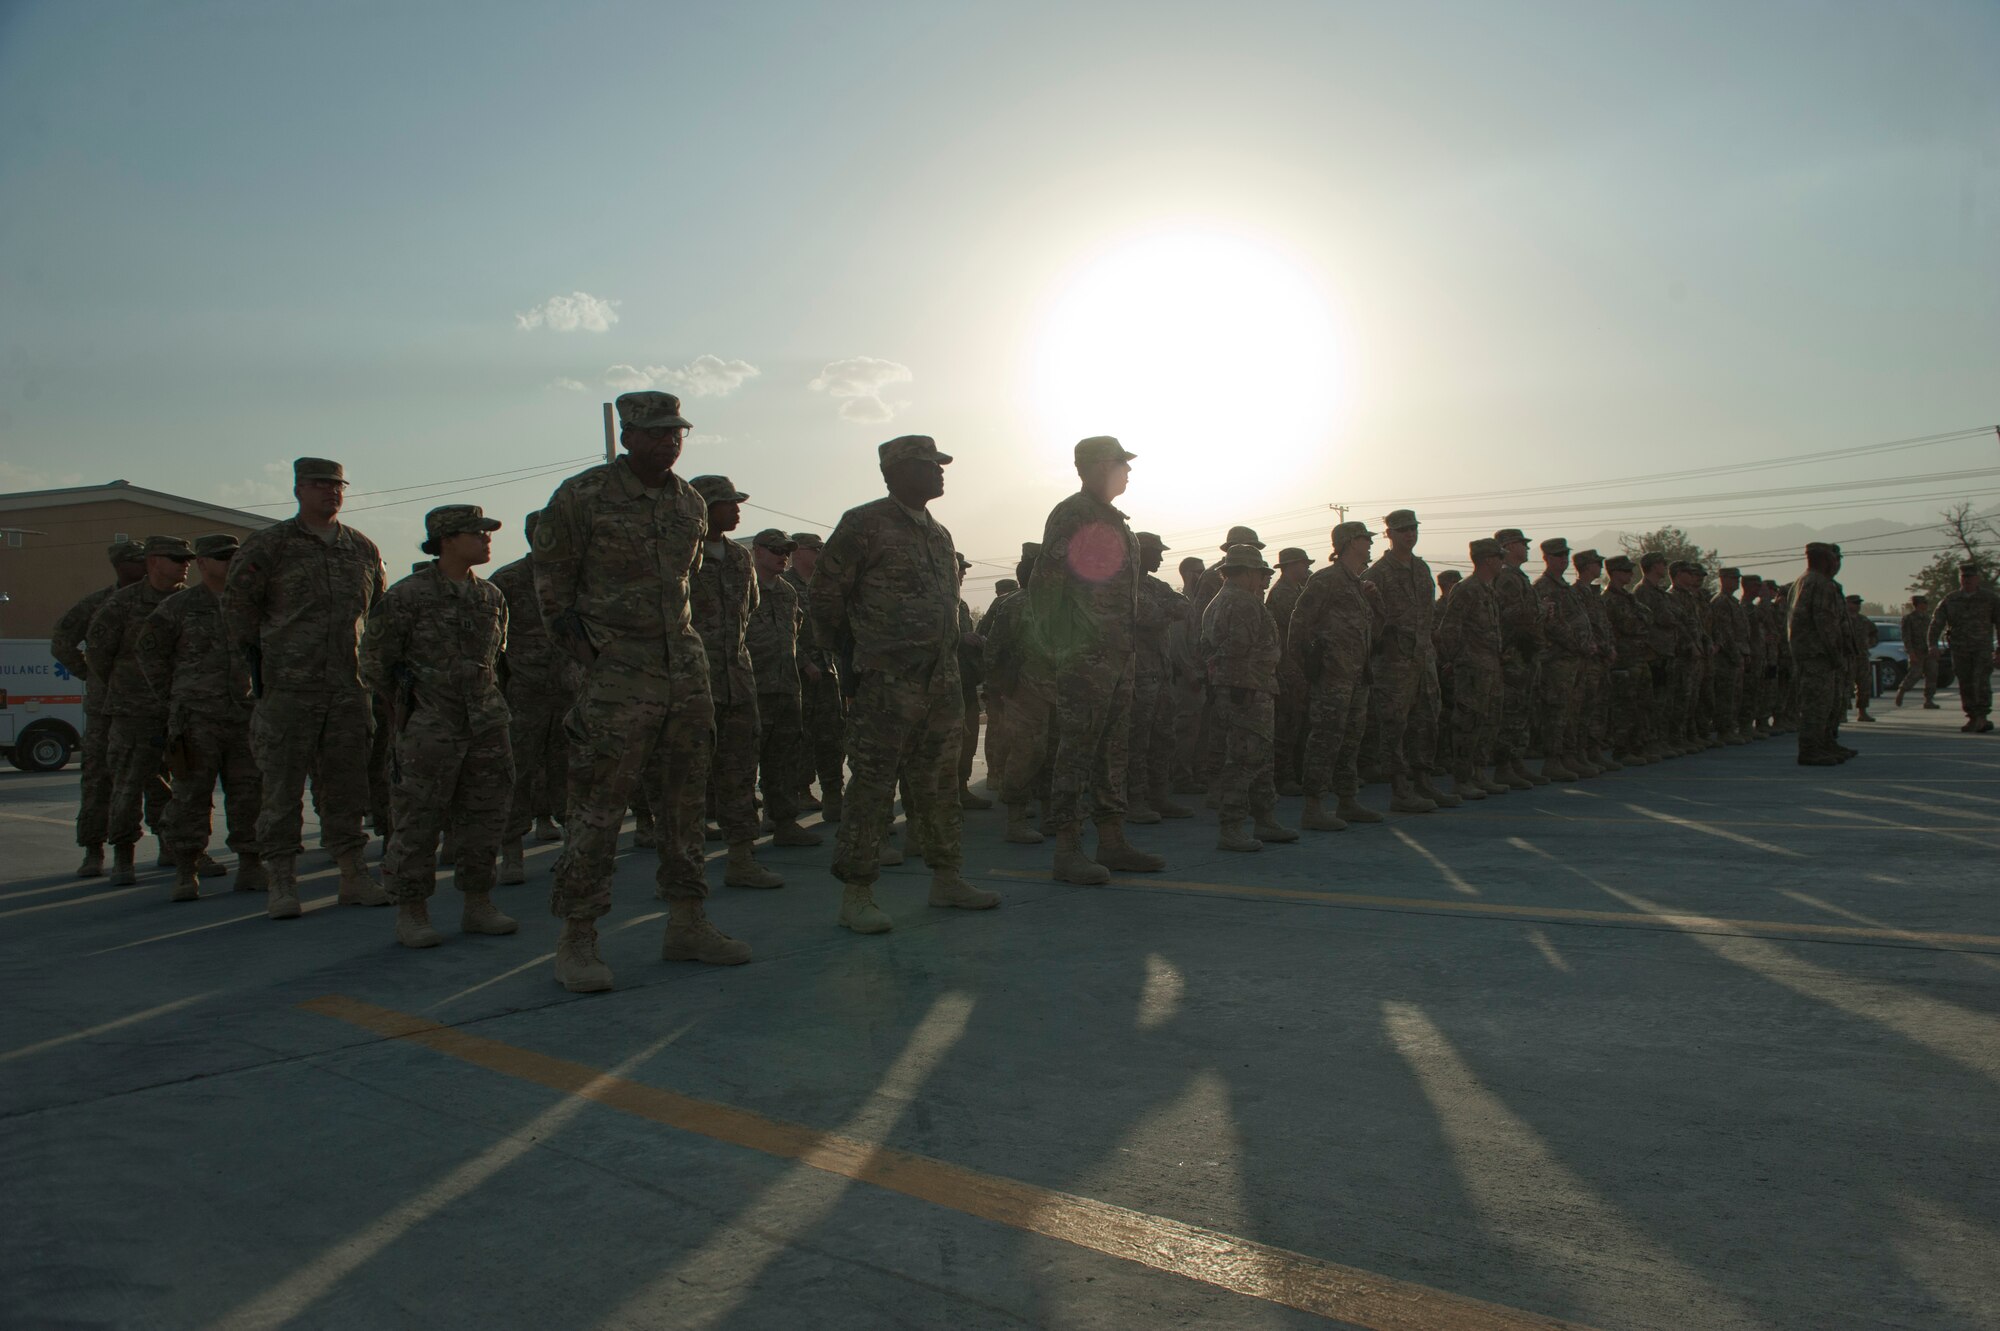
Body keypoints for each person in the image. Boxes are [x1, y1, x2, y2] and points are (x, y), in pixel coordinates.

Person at [535, 392, 748, 992]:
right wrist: (592, 660)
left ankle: (687, 922)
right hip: (617, 669)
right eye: (655, 432)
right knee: (600, 805)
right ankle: (577, 937)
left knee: (685, 804)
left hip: (682, 665)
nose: (668, 441)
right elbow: (552, 585)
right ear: (627, 435)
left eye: (676, 431)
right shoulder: (581, 496)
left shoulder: (688, 504)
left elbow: (688, 585)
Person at [810, 435, 999, 931]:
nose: (939, 472)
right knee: (872, 787)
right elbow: (825, 596)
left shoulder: (939, 534)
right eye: (927, 465)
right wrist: (852, 658)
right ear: (895, 471)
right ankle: (857, 894)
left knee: (939, 787)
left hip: (941, 684)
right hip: (885, 683)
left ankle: (947, 879)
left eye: (939, 465)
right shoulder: (864, 523)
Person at [225, 457, 391, 917]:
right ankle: (281, 881)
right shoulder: (269, 546)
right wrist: (268, 666)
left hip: (347, 689)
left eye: (337, 485)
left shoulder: (362, 549)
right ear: (298, 489)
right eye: (320, 485)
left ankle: (353, 875)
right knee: (281, 790)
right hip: (287, 691)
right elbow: (239, 614)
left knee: (347, 789)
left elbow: (377, 616)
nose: (330, 492)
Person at [363, 506, 517, 947]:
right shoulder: (407, 596)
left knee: (485, 817)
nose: (488, 540)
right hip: (430, 726)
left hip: (487, 723)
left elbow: (496, 659)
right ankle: (412, 912)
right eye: (478, 533)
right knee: (417, 821)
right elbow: (375, 664)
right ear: (447, 539)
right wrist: (409, 712)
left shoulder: (491, 596)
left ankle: (478, 903)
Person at [1023, 436, 1166, 884]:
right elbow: (1044, 588)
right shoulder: (1073, 514)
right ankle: (1067, 849)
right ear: (1098, 466)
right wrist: (1057, 652)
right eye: (1122, 463)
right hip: (1085, 657)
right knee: (1077, 752)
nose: (1128, 471)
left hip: (1118, 657)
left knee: (1112, 752)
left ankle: (1112, 840)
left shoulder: (1114, 521)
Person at [134, 534, 262, 900]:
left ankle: (251, 866)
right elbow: (149, 653)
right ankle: (186, 869)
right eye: (223, 558)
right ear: (203, 563)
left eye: (235, 558)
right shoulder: (178, 607)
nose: (231, 564)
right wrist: (175, 696)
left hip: (244, 716)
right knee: (190, 794)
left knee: (250, 793)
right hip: (196, 719)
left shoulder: (251, 605)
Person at [684, 475, 785, 889]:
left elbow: (750, 610)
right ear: (704, 507)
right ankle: (682, 872)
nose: (737, 509)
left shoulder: (741, 559)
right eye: (727, 502)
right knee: (687, 780)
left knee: (740, 773)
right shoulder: (679, 555)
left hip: (738, 682)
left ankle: (742, 860)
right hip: (691, 682)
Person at [86, 536, 194, 885]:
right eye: (176, 558)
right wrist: (125, 687)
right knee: (128, 786)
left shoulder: (194, 602)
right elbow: (99, 657)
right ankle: (123, 857)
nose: (184, 564)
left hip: (182, 709)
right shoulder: (121, 604)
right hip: (134, 711)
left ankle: (179, 847)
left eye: (187, 558)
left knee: (185, 786)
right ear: (153, 561)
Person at [52, 540, 150, 877]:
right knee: (98, 779)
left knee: (162, 776)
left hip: (154, 705)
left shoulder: (164, 601)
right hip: (106, 708)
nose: (144, 566)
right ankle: (93, 851)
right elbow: (62, 642)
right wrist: (93, 676)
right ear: (120, 565)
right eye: (137, 561)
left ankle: (172, 844)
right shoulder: (98, 603)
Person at [489, 512, 576, 885]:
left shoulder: (577, 579)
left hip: (571, 691)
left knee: (572, 773)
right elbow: (491, 645)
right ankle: (511, 853)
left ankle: (576, 850)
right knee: (517, 773)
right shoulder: (507, 580)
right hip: (524, 694)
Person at [1285, 521, 1385, 829]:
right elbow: (1298, 625)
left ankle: (1347, 801)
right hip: (1332, 677)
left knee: (1351, 741)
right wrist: (1310, 669)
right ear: (1348, 543)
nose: (1369, 544)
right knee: (1325, 740)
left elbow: (1373, 628)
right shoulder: (1326, 580)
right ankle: (1314, 807)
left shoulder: (1358, 583)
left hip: (1357, 676)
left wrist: (1375, 599)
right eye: (1363, 539)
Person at [1199, 545, 1296, 851]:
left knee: (1260, 759)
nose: (1261, 579)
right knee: (1243, 760)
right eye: (1259, 573)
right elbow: (1238, 648)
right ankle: (1233, 827)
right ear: (1247, 573)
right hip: (1247, 690)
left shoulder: (1227, 600)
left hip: (1249, 688)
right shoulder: (1240, 602)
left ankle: (1264, 820)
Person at [1364, 511, 1451, 809]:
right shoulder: (1377, 574)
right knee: (1394, 726)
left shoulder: (1421, 569)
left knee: (1427, 721)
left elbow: (1429, 614)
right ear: (1389, 534)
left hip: (1423, 660)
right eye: (1402, 531)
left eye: (1413, 529)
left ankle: (1424, 782)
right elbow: (1369, 622)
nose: (1409, 535)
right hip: (1393, 664)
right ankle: (1400, 790)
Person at [746, 528, 822, 848]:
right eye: (775, 549)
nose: (783, 555)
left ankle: (784, 822)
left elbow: (795, 637)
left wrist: (802, 665)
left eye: (787, 550)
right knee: (744, 761)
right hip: (750, 686)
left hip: (787, 687)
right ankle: (744, 829)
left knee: (785, 758)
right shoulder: (741, 588)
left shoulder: (788, 592)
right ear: (758, 552)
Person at [983, 545, 1048, 842]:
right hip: (1024, 693)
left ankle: (1054, 814)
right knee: (1025, 754)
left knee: (1055, 755)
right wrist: (997, 689)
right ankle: (1016, 820)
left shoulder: (1063, 603)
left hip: (1059, 693)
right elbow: (993, 650)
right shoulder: (1014, 605)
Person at [1435, 538, 1509, 798]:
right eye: (1500, 557)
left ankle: (1479, 774)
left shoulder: (1488, 589)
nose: (1502, 562)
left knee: (1489, 722)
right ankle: (1462, 779)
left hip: (1491, 667)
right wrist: (1459, 660)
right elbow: (1449, 629)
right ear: (1488, 559)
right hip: (1473, 669)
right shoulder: (1467, 589)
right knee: (1468, 724)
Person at [1128, 532, 1192, 823]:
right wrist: (1165, 611)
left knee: (1163, 737)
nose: (1161, 558)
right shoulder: (1122, 584)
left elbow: (1184, 607)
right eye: (1157, 553)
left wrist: (1163, 611)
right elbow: (1146, 615)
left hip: (1161, 676)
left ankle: (1159, 795)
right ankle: (1135, 800)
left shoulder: (1156, 585)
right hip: (1136, 678)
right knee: (1137, 741)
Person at [783, 532, 846, 820]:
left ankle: (833, 794)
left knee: (832, 734)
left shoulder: (825, 586)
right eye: (815, 549)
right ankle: (800, 790)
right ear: (798, 552)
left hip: (828, 671)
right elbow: (778, 634)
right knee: (799, 736)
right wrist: (803, 661)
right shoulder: (785, 586)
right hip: (796, 676)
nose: (821, 553)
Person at [1530, 537, 1593, 782]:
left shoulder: (1564, 587)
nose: (1563, 560)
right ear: (1546, 558)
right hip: (1557, 659)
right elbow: (1554, 625)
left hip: (1573, 658)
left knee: (1571, 711)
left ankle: (1569, 755)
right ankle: (1553, 760)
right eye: (1557, 556)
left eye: (1565, 555)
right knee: (1556, 712)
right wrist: (1579, 644)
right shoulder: (1544, 587)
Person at [1788, 543, 1853, 765]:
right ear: (1824, 560)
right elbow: (1825, 624)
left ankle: (1823, 743)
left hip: (1814, 654)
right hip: (1818, 654)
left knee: (1826, 702)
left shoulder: (1807, 581)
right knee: (1816, 703)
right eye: (1834, 559)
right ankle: (1810, 749)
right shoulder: (1819, 583)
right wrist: (1836, 655)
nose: (1837, 564)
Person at [1491, 528, 1545, 787]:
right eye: (1521, 544)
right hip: (1512, 653)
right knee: (1511, 713)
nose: (1526, 548)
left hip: (1524, 653)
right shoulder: (1506, 578)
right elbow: (1509, 614)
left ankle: (1516, 762)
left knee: (1522, 711)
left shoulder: (1518, 577)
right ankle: (1504, 766)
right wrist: (1538, 610)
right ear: (1509, 546)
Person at [1928, 563, 2000, 733]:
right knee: (1965, 682)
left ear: (1977, 578)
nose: (1967, 580)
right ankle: (1972, 717)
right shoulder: (1950, 599)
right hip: (1960, 649)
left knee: (1981, 681)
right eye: (1963, 577)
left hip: (1982, 648)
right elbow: (1936, 623)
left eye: (1970, 577)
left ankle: (1982, 717)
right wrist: (1932, 644)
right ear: (1960, 579)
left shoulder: (1990, 599)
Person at [1265, 547, 1313, 797]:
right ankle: (1283, 776)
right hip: (1286, 666)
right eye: (1303, 565)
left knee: (1299, 722)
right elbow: (1303, 626)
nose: (1306, 569)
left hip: (1298, 666)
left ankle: (1294, 772)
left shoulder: (1297, 591)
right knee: (1287, 724)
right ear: (1291, 566)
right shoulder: (1283, 594)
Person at [1600, 554, 1656, 765]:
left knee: (1642, 704)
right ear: (1614, 573)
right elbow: (1631, 625)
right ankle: (1623, 750)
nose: (1630, 574)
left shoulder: (1628, 597)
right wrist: (1641, 620)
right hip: (1623, 659)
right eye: (1625, 571)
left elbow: (1648, 618)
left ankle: (1638, 746)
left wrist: (1641, 620)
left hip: (1638, 657)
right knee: (1625, 707)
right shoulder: (1610, 599)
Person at [1569, 549, 1621, 772]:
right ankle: (1579, 753)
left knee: (1598, 707)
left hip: (1600, 658)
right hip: (1588, 659)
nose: (1599, 566)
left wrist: (1609, 648)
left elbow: (1603, 625)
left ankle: (1592, 750)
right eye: (1595, 563)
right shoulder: (1576, 593)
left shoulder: (1592, 593)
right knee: (1583, 708)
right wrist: (1599, 647)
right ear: (1585, 566)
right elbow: (1583, 627)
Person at [1634, 553, 1684, 760]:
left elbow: (1677, 615)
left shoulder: (1659, 592)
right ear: (1653, 566)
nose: (1665, 567)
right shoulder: (1644, 591)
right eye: (1662, 564)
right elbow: (1661, 618)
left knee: (1664, 701)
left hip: (1665, 652)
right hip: (1653, 653)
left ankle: (1660, 740)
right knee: (1651, 703)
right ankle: (1649, 743)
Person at [954, 554, 991, 809]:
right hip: (940, 685)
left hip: (964, 682)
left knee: (968, 739)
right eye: (960, 569)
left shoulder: (962, 604)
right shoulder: (932, 601)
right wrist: (960, 637)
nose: (963, 574)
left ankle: (961, 788)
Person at [1705, 568, 1752, 744]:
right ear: (1722, 579)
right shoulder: (1720, 602)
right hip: (1726, 658)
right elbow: (1724, 632)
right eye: (1732, 578)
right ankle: (1723, 731)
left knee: (1734, 695)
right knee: (1725, 695)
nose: (1736, 582)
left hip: (1736, 655)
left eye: (1737, 578)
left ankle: (1730, 728)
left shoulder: (1732, 601)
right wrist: (1735, 654)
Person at [1895, 593, 1938, 709]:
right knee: (1915, 674)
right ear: (1918, 604)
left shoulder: (1928, 618)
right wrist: (1911, 653)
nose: (1926, 605)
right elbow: (1906, 637)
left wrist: (1935, 647)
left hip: (1928, 651)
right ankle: (1902, 691)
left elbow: (1933, 634)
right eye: (1924, 603)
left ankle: (1929, 700)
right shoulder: (1908, 619)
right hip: (1917, 651)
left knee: (1932, 674)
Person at [1844, 594, 1878, 723]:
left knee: (1864, 685)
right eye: (1854, 603)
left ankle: (1862, 712)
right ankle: (1842, 713)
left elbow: (1874, 633)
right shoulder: (1841, 619)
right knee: (1845, 686)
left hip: (1862, 657)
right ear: (1847, 603)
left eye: (1859, 603)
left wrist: (1871, 643)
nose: (1857, 606)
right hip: (1847, 657)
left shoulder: (1863, 620)